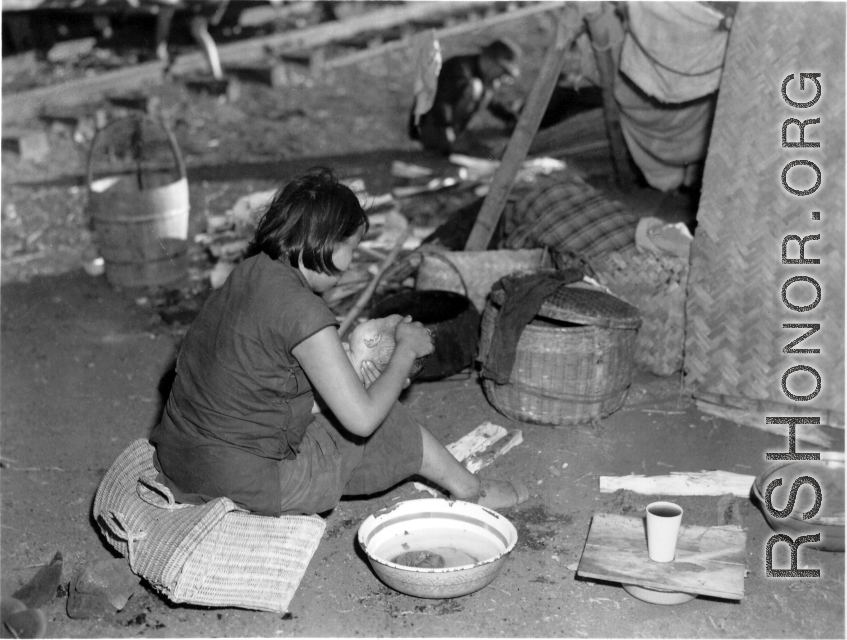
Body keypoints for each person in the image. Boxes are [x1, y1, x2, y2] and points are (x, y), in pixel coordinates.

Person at [150, 167, 528, 517]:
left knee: (345, 417)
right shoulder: (303, 311)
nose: (350, 261)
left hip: (181, 459)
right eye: (352, 247)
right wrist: (407, 351)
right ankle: (469, 491)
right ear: (328, 244)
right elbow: (362, 421)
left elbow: (259, 379)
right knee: (387, 423)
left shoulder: (249, 271)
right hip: (240, 482)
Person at [409, 38, 523, 155]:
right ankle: (446, 143)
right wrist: (446, 128)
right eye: (502, 71)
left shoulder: (483, 77)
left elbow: (492, 103)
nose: (502, 77)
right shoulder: (460, 68)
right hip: (430, 126)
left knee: (485, 91)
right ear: (491, 61)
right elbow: (441, 101)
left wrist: (511, 117)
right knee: (475, 87)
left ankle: (454, 140)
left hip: (445, 126)